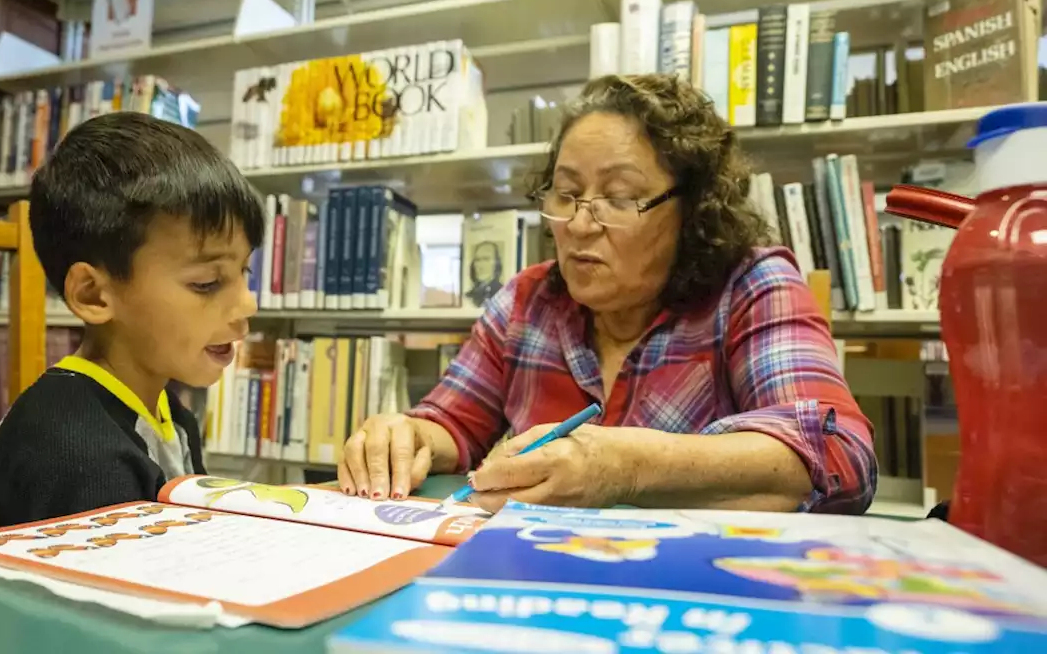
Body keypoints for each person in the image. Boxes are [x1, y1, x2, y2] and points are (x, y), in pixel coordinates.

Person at [337, 74, 876, 515]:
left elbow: (838, 455)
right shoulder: (528, 301)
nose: (577, 223)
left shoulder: (752, 285)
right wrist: (406, 436)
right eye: (566, 193)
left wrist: (624, 466)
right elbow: (454, 422)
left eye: (619, 198)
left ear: (693, 211)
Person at [0, 113, 262, 533]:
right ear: (94, 294)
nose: (248, 303)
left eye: (245, 273)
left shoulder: (169, 412)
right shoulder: (72, 448)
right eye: (207, 283)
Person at [465, 240, 504, 307]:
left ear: (496, 263)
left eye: (486, 259)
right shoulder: (468, 296)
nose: (480, 265)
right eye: (477, 260)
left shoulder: (503, 293)